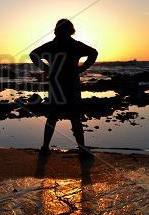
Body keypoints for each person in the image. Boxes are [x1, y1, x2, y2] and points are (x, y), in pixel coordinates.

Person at [30, 19, 98, 155]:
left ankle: (45, 148)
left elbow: (33, 54)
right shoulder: (75, 45)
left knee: (53, 116)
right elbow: (94, 53)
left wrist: (47, 69)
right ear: (71, 31)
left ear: (57, 30)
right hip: (71, 84)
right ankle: (82, 149)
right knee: (74, 117)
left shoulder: (51, 46)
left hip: (56, 83)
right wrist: (82, 68)